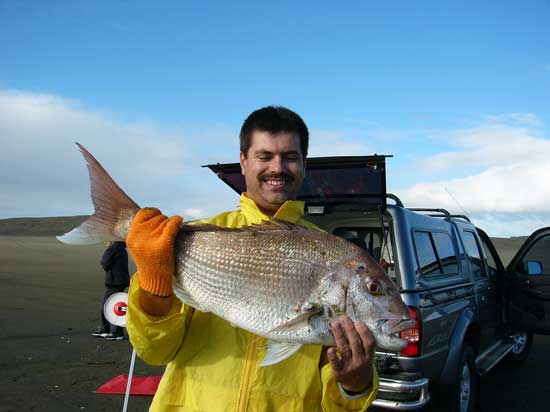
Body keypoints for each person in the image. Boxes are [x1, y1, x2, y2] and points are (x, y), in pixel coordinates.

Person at [125, 106, 379, 411]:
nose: (277, 167)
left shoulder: (331, 252)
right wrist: (154, 285)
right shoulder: (197, 240)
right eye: (265, 156)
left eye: (289, 157)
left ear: (303, 164)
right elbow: (155, 350)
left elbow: (340, 403)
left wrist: (354, 384)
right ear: (243, 161)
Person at [92, 241, 130, 340]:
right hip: (121, 280)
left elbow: (105, 263)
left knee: (109, 305)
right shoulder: (121, 248)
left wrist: (108, 249)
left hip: (115, 281)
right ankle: (113, 331)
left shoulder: (114, 248)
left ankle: (112, 331)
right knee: (116, 305)